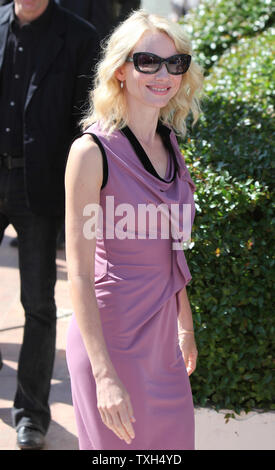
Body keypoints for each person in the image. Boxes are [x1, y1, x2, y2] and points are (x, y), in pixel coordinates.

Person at [65, 9, 204, 450]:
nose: (163, 74)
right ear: (121, 69)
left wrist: (185, 325)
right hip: (111, 341)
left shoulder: (170, 143)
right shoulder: (91, 153)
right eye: (148, 61)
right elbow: (80, 275)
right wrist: (104, 375)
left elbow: (173, 247)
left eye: (174, 63)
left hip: (163, 344)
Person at [0, 0, 99, 450]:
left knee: (38, 305)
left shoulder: (79, 37)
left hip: (39, 190)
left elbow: (88, 122)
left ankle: (31, 415)